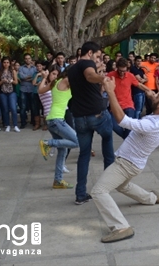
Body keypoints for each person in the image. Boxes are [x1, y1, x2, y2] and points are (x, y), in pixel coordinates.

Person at [91, 77, 159, 243]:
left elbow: (122, 121)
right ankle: (152, 198)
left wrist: (110, 91)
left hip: (126, 164)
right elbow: (155, 101)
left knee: (99, 191)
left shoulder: (151, 125)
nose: (154, 94)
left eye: (157, 95)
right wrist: (150, 93)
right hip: (135, 164)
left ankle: (121, 227)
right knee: (123, 185)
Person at [68, 41, 115, 205]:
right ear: (89, 53)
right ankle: (107, 188)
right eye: (97, 56)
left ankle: (80, 194)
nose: (98, 59)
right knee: (108, 143)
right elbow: (89, 75)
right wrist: (104, 78)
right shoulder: (87, 63)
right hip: (96, 115)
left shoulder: (72, 68)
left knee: (84, 155)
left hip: (79, 117)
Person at [38, 65, 79, 188]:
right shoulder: (67, 81)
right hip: (56, 120)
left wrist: (45, 79)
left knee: (63, 149)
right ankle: (48, 143)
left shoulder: (55, 82)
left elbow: (40, 91)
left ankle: (58, 181)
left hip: (52, 120)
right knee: (77, 142)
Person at [107, 58, 155, 139]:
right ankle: (128, 140)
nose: (122, 73)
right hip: (115, 106)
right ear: (117, 68)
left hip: (128, 105)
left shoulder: (130, 76)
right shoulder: (111, 75)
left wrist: (149, 90)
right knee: (113, 125)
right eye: (120, 70)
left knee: (129, 128)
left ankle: (127, 141)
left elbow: (139, 85)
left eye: (124, 71)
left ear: (127, 68)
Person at [0, 56, 20, 132]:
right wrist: (2, 81)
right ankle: (7, 125)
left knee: (13, 108)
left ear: (9, 63)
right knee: (5, 109)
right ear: (2, 63)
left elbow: (16, 82)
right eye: (4, 62)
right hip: (3, 92)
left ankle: (15, 125)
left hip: (11, 91)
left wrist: (11, 81)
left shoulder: (13, 71)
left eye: (7, 62)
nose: (6, 64)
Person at [18, 53, 38, 129]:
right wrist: (31, 78)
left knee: (33, 106)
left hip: (32, 89)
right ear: (24, 59)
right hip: (23, 89)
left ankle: (33, 121)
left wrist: (27, 78)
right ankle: (23, 122)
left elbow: (34, 77)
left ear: (31, 59)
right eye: (26, 58)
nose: (27, 60)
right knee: (23, 107)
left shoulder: (35, 68)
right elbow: (21, 77)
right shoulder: (21, 68)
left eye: (29, 58)